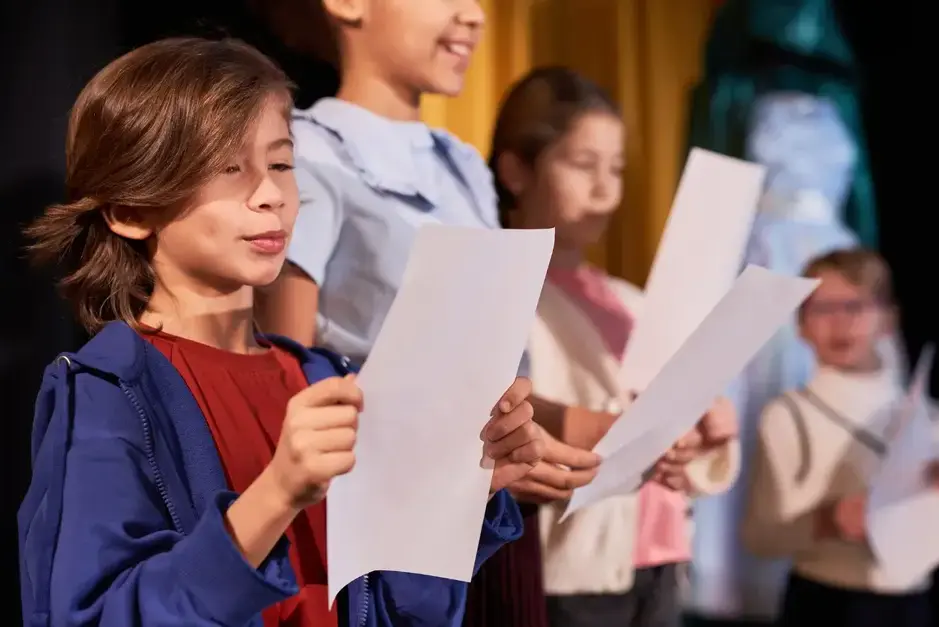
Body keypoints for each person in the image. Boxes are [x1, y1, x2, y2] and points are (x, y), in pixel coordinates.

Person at [17, 37, 544, 627]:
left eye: (280, 164)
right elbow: (101, 614)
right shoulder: (106, 392)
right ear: (131, 210)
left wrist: (460, 494)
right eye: (226, 169)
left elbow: (394, 606)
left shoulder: (325, 379)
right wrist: (277, 493)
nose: (271, 196)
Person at [487, 66, 742, 627]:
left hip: (663, 557)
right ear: (515, 169)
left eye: (617, 169)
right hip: (574, 568)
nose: (605, 189)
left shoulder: (632, 299)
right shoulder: (498, 294)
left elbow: (678, 423)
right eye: (582, 165)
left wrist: (702, 436)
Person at [742, 248, 933, 627]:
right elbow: (760, 538)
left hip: (915, 603)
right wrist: (828, 520)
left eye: (855, 306)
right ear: (800, 325)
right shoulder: (789, 415)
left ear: (888, 319)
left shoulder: (924, 415)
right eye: (822, 309)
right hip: (828, 602)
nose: (840, 323)